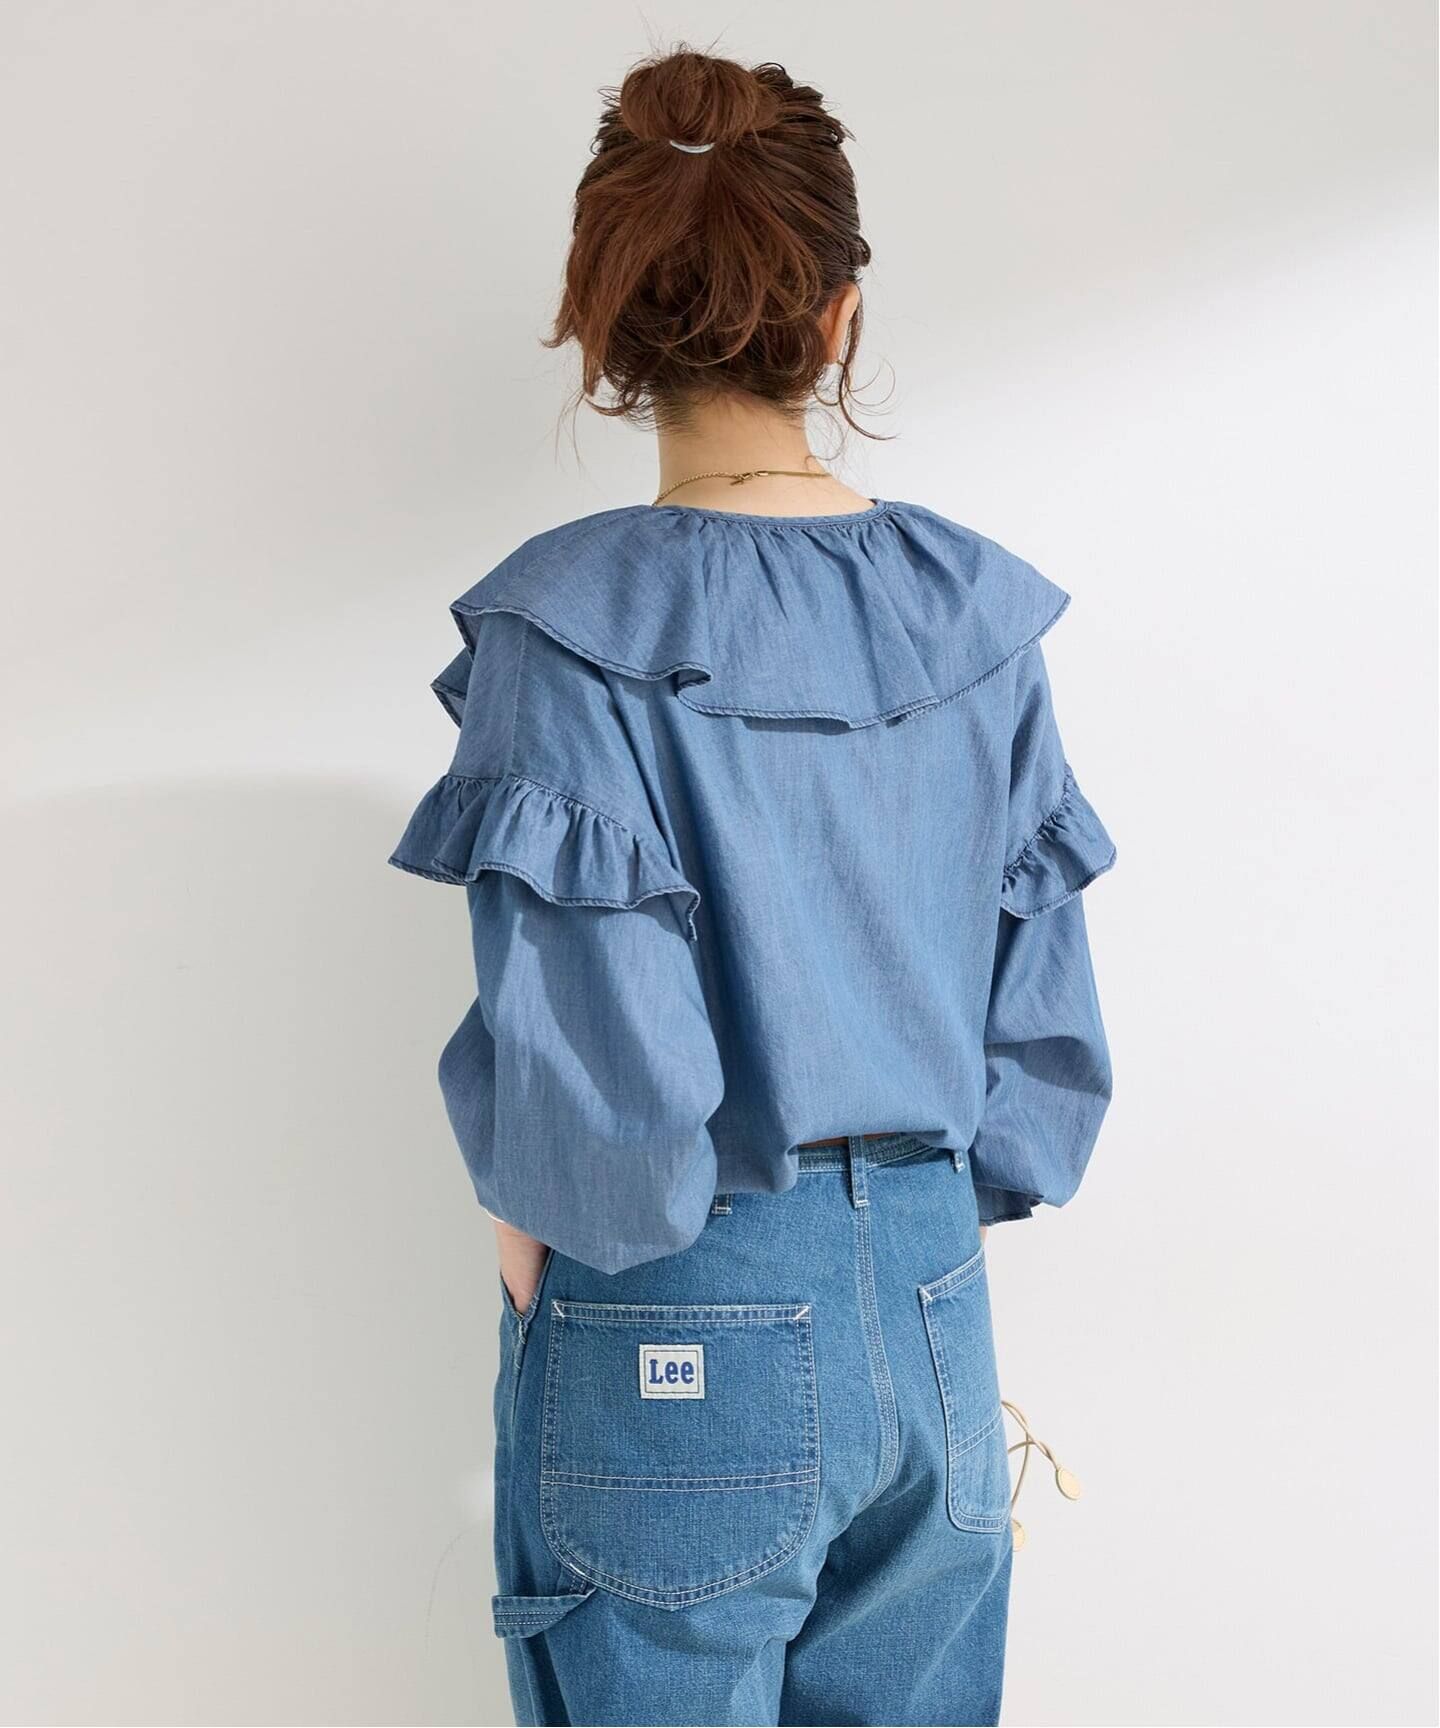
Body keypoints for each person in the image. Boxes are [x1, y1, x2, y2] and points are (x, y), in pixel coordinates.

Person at [390, 46, 1115, 1728]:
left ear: (603, 326)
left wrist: (546, 1254)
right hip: (934, 1309)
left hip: (677, 1294)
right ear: (840, 316)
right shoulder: (977, 614)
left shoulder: (562, 627)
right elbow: (1039, 1024)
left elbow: (599, 1073)